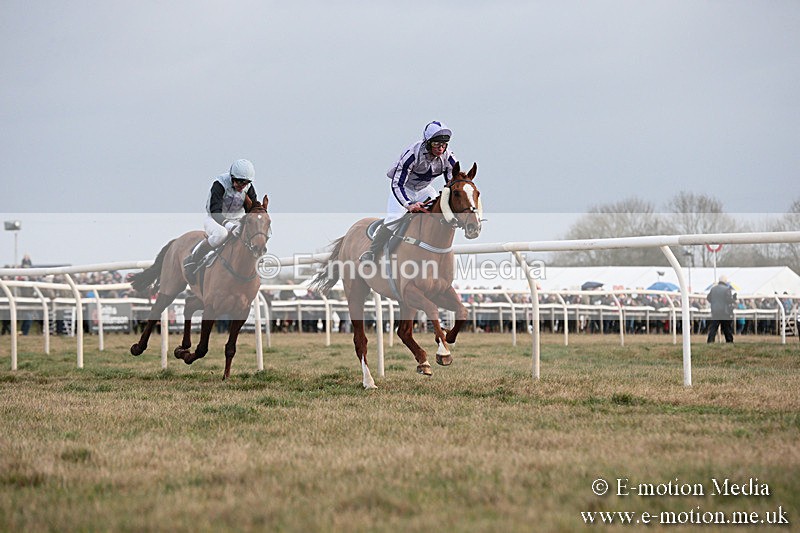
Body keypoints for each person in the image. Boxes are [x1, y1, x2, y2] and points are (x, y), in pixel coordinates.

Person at [360, 121, 458, 263]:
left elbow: (453, 184)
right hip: (404, 188)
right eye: (436, 144)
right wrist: (408, 204)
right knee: (393, 220)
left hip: (424, 190)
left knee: (439, 213)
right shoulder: (412, 155)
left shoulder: (448, 158)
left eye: (444, 145)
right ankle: (372, 253)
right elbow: (397, 184)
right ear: (427, 143)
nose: (441, 148)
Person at [183, 159, 259, 284]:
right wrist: (230, 226)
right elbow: (215, 211)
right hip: (214, 219)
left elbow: (252, 210)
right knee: (221, 234)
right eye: (239, 182)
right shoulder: (219, 185)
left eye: (246, 183)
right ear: (232, 177)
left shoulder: (249, 188)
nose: (242, 186)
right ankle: (193, 258)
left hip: (237, 220)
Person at [706, 275, 737, 343]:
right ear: (725, 281)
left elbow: (708, 298)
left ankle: (710, 341)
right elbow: (728, 299)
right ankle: (729, 341)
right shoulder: (727, 289)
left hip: (715, 311)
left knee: (713, 327)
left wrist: (714, 303)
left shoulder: (713, 289)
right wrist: (734, 300)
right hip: (724, 311)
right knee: (726, 327)